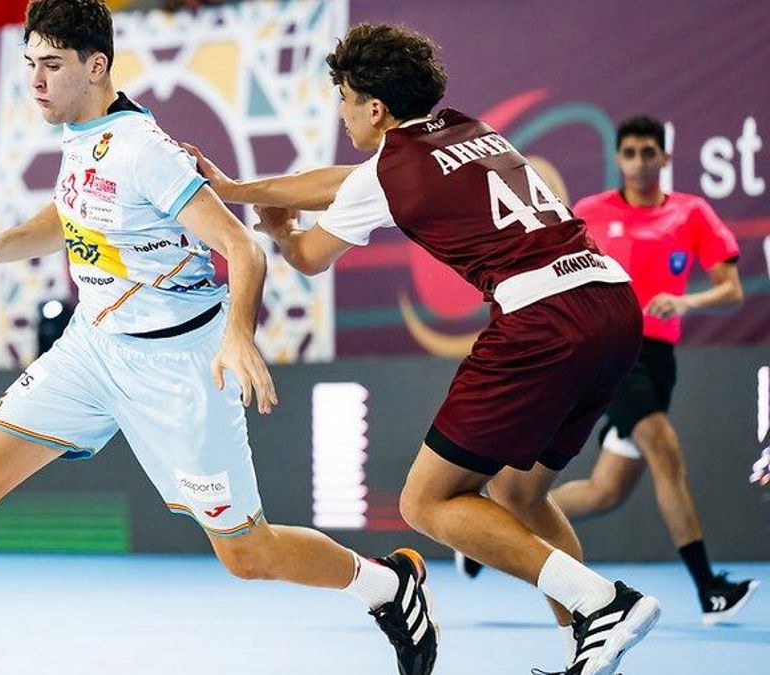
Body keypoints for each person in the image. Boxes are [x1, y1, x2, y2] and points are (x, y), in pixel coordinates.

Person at [0, 3, 437, 675]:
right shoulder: (80, 133)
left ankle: (386, 585)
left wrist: (239, 337)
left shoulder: (144, 151)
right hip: (92, 348)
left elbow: (243, 248)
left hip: (180, 367)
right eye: (30, 64)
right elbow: (72, 211)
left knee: (248, 553)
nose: (36, 81)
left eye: (52, 65)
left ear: (96, 66)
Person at [185, 23, 660, 675]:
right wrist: (241, 190)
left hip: (542, 321)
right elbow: (347, 181)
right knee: (521, 493)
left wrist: (279, 230)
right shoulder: (466, 129)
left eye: (345, 100)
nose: (342, 113)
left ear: (375, 108)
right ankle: (589, 640)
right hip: (611, 303)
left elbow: (311, 255)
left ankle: (602, 602)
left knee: (426, 501)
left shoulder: (389, 170)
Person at [548, 115, 757, 625]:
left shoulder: (691, 212)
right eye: (630, 154)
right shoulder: (589, 212)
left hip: (659, 360)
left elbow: (731, 289)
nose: (639, 163)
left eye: (649, 153)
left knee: (606, 490)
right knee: (664, 447)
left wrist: (687, 302)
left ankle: (505, 516)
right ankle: (709, 588)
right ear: (618, 159)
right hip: (612, 351)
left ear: (664, 158)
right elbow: (558, 276)